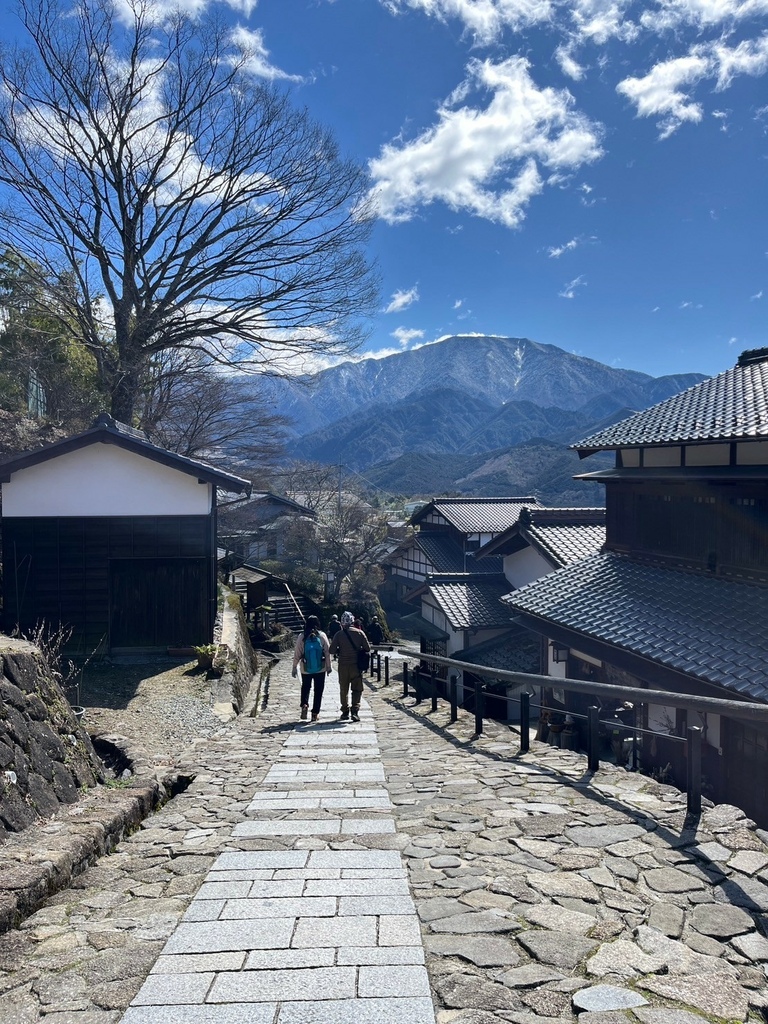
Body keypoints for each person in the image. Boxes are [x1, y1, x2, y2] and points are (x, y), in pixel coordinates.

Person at [329, 610, 370, 722]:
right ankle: (355, 711)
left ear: (342, 623)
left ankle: (345, 711)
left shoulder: (338, 635)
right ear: (352, 621)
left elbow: (331, 650)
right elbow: (367, 648)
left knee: (344, 689)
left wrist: (340, 649)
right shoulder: (359, 633)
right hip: (356, 665)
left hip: (343, 665)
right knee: (357, 689)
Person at [291, 615, 331, 722]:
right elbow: (327, 652)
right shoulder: (322, 636)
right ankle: (315, 713)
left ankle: (304, 704)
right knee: (318, 690)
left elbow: (297, 654)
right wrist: (329, 667)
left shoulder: (302, 636)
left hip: (305, 668)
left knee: (306, 687)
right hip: (320, 668)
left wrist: (294, 667)